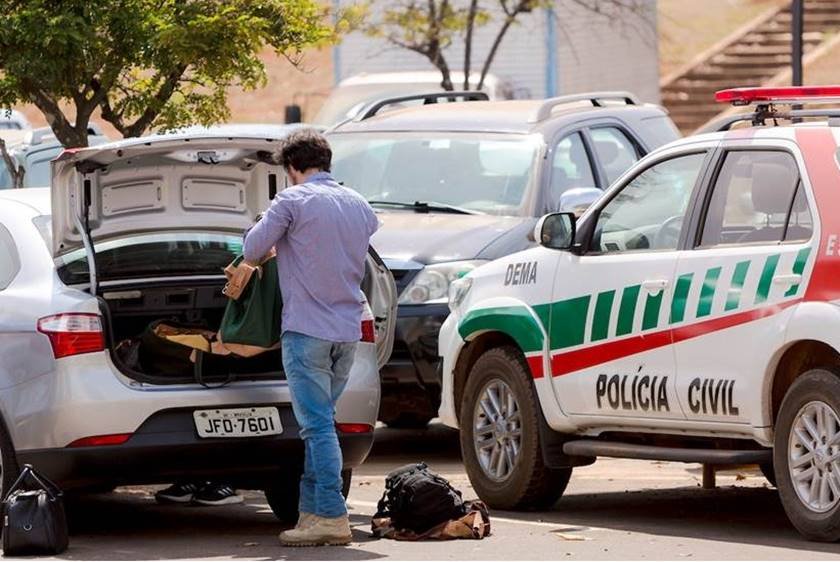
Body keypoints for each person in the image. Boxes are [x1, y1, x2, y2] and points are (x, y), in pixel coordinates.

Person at [243, 129, 378, 547]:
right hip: (348, 330)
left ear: (292, 167)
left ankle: (333, 517)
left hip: (307, 331)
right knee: (322, 425)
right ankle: (311, 513)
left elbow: (251, 249)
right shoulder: (359, 204)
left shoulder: (292, 200)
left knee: (317, 428)